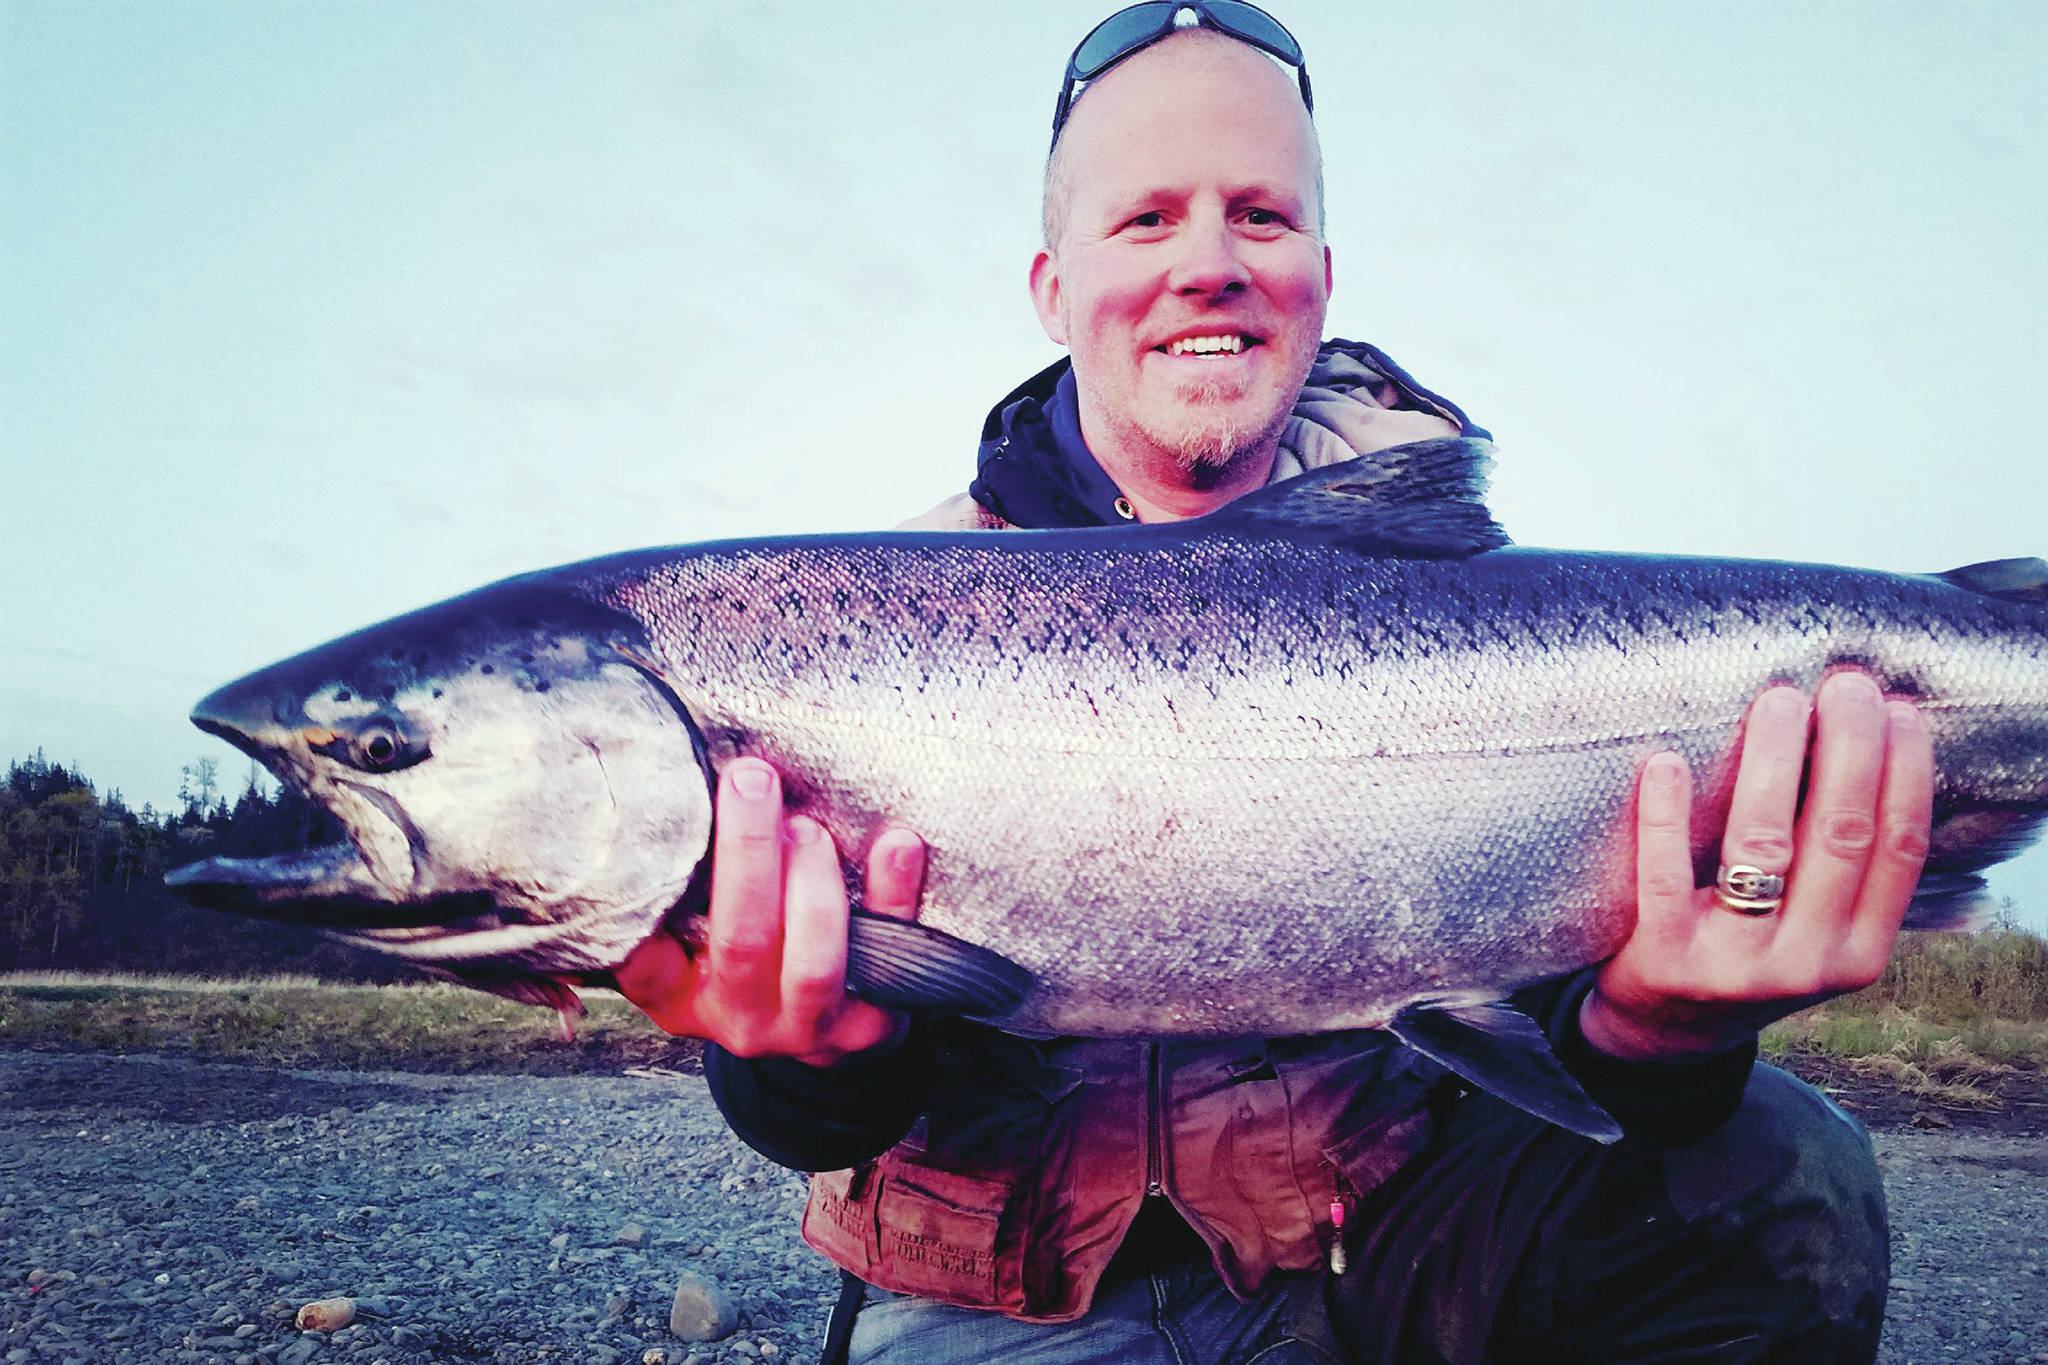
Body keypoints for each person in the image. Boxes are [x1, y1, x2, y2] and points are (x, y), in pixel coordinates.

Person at [618, 6, 1934, 1361]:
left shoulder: (1485, 619)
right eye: (1145, 220)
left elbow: (1561, 1039)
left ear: (1320, 269)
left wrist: (1648, 1037)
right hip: (1005, 1302)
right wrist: (810, 1058)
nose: (1208, 264)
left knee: (1782, 1164)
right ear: (1052, 286)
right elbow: (826, 1115)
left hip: (1388, 1244)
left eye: (1258, 214)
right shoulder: (871, 622)